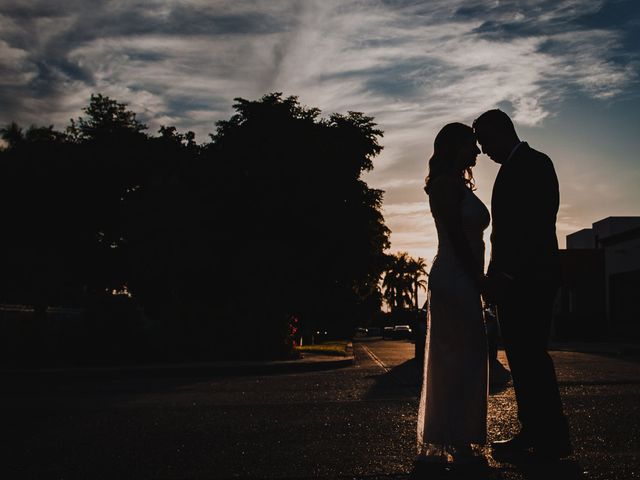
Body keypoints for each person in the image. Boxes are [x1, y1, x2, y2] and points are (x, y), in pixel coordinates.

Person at [473, 109, 572, 459]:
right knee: (523, 359)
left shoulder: (534, 164)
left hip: (530, 281)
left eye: (485, 142)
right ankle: (537, 432)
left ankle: (550, 437)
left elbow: (535, 224)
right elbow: (504, 234)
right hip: (514, 281)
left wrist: (507, 276)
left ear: (502, 132)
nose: (483, 151)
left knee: (531, 358)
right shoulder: (512, 169)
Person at [416, 123, 490, 465]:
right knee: (461, 357)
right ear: (455, 147)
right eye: (471, 146)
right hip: (455, 277)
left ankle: (460, 436)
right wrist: (479, 279)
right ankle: (456, 439)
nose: (477, 152)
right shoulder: (445, 186)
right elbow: (459, 239)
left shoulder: (458, 183)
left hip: (464, 277)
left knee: (467, 356)